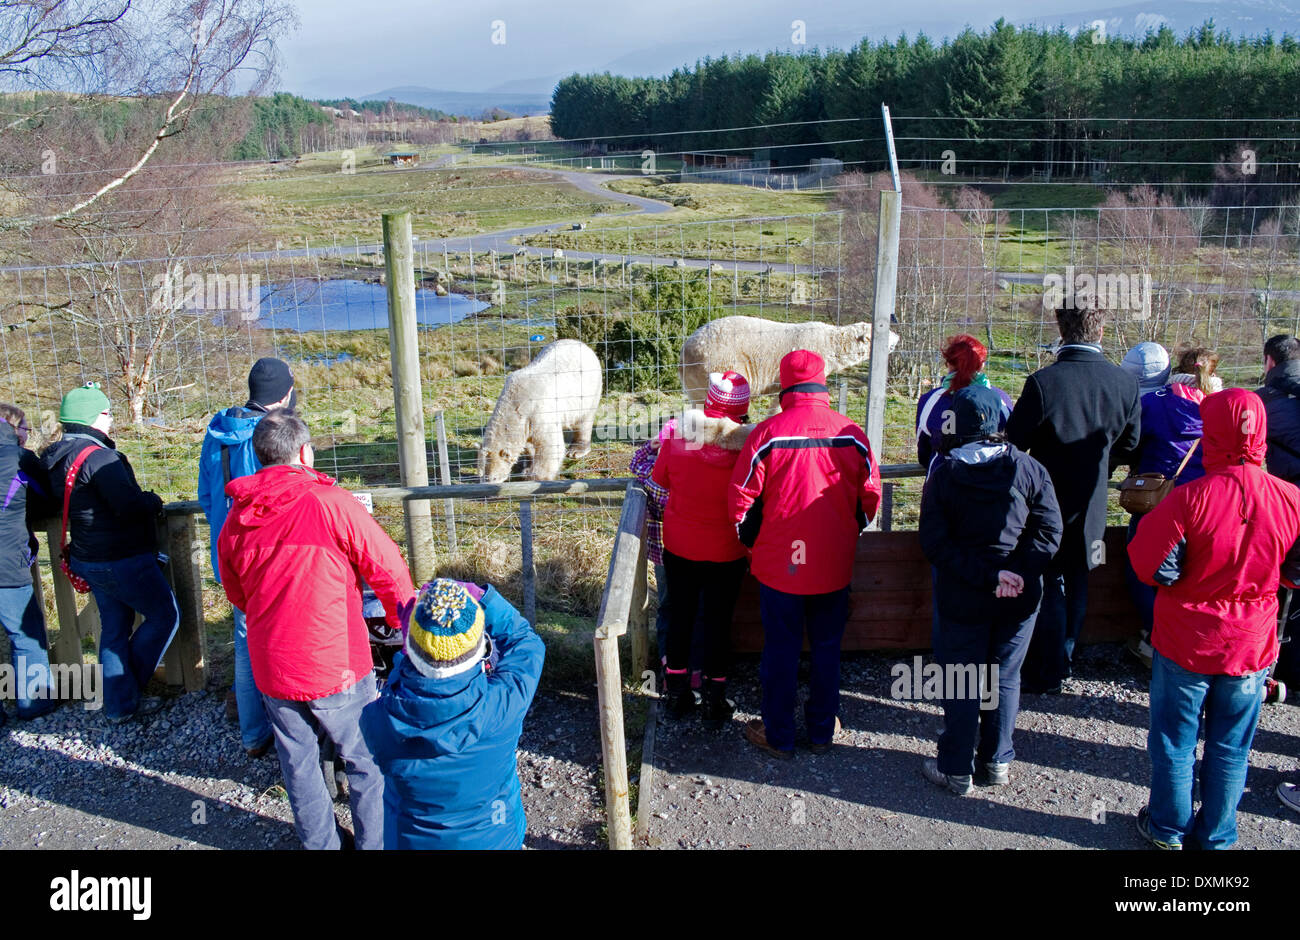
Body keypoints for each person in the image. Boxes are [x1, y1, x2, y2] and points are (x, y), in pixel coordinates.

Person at [217, 411, 414, 851]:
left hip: (273, 664)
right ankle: (375, 843)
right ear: (304, 452)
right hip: (336, 660)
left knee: (299, 763)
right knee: (365, 759)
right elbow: (389, 571)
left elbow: (236, 591)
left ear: (258, 454)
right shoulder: (331, 503)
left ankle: (320, 844)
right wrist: (407, 636)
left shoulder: (236, 519)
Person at [1128, 388, 1300, 849]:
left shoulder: (1190, 497)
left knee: (1174, 742)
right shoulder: (1291, 498)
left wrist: (1179, 574)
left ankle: (1167, 828)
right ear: (1261, 433)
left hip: (1187, 638)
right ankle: (1217, 835)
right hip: (1251, 641)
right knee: (1231, 747)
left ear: (1213, 431)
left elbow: (1147, 562)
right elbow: (1296, 571)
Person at [728, 350, 881, 758]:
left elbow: (740, 504)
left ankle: (778, 735)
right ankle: (821, 730)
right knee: (828, 648)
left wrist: (754, 546)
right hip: (833, 565)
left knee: (780, 649)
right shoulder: (852, 433)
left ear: (784, 386)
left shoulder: (767, 434)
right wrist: (845, 534)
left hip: (780, 567)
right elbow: (870, 498)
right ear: (822, 385)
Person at [918, 386, 1063, 795]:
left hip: (963, 594)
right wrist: (1016, 571)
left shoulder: (945, 475)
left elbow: (934, 544)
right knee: (1004, 675)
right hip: (1019, 598)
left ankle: (956, 768)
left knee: (962, 678)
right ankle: (996, 761)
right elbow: (1050, 530)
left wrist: (987, 576)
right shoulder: (1030, 470)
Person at [1006, 306, 1141, 693]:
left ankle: (1045, 669)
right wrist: (1101, 464)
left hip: (1045, 502)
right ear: (1101, 332)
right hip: (1094, 500)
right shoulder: (1124, 383)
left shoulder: (1044, 383)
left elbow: (1015, 443)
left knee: (1047, 579)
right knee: (1080, 577)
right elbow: (1130, 444)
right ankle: (1066, 658)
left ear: (1061, 332)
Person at [360, 578, 545, 849]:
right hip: (495, 837)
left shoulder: (378, 721)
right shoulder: (503, 705)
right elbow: (526, 642)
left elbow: (399, 686)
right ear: (481, 648)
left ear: (410, 648)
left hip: (411, 841)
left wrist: (406, 654)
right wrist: (485, 599)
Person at [40, 383, 178, 723]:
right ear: (93, 417)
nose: (111, 418)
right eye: (107, 412)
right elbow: (129, 507)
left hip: (88, 556)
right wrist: (153, 500)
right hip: (123, 557)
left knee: (114, 629)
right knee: (165, 616)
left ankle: (118, 705)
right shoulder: (101, 458)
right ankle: (126, 690)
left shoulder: (53, 457)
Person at [197, 357, 296, 758]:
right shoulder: (274, 434)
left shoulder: (219, 430)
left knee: (245, 641)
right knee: (285, 637)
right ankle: (291, 729)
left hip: (230, 551)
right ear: (285, 394)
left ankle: (253, 734)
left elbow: (206, 494)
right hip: (271, 556)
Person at [652, 371, 753, 727]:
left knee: (680, 616)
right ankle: (715, 699)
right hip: (728, 551)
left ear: (707, 401)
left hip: (680, 546)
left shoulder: (679, 435)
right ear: (743, 408)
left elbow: (660, 479)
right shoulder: (749, 448)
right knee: (718, 622)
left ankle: (676, 693)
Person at [1122, 346, 1218, 667]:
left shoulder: (1152, 403)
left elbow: (1130, 445)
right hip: (1205, 506)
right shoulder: (1217, 407)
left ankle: (1160, 643)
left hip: (1156, 504)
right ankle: (1189, 643)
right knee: (1192, 576)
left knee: (1141, 570)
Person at [0, 404, 58, 723]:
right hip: (6, 561)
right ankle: (35, 704)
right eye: (25, 429)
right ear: (15, 429)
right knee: (25, 633)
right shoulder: (19, 458)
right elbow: (46, 496)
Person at [1257, 335, 1300, 697]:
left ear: (1270, 361)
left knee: (1278, 582)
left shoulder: (1261, 401)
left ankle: (1277, 669)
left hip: (1283, 505)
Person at [914, 334, 1012, 474]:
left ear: (948, 363)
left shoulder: (930, 400)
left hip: (944, 484)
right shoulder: (1001, 399)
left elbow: (923, 453)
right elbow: (1011, 443)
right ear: (982, 364)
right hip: (995, 484)